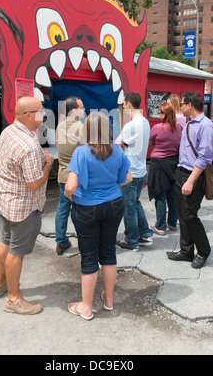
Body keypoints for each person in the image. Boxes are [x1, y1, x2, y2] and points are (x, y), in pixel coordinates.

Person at [65, 112, 132, 320]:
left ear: (87, 130)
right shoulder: (118, 150)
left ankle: (86, 306)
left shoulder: (81, 152)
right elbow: (127, 178)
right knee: (109, 252)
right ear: (108, 129)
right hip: (113, 205)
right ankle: (109, 299)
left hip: (86, 208)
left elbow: (70, 186)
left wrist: (70, 195)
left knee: (89, 256)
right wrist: (109, 186)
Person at [0, 96, 54, 315]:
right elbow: (35, 182)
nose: (44, 114)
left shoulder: (9, 131)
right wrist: (47, 163)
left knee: (6, 241)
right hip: (23, 206)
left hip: (6, 199)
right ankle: (13, 298)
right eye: (40, 111)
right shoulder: (28, 146)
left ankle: (1, 283)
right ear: (28, 115)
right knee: (16, 251)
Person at [167, 92, 213, 269]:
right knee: (182, 213)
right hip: (182, 172)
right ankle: (186, 251)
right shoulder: (188, 122)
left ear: (190, 106)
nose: (179, 107)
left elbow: (204, 158)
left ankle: (203, 251)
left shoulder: (206, 126)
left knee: (189, 215)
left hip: (194, 175)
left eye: (182, 104)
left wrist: (190, 181)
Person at [115, 91, 153, 249]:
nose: (123, 106)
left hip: (130, 173)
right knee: (135, 203)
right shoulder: (145, 122)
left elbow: (117, 144)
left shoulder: (131, 125)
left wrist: (121, 143)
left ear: (129, 104)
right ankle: (145, 233)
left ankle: (131, 240)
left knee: (128, 207)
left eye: (124, 103)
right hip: (141, 171)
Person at [55, 97, 85, 255]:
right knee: (80, 211)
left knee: (62, 209)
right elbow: (86, 153)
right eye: (82, 107)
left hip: (62, 175)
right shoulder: (81, 128)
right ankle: (85, 240)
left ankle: (60, 242)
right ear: (74, 111)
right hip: (77, 177)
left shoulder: (59, 126)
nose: (85, 109)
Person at [148, 103, 182, 235]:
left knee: (160, 196)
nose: (159, 115)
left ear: (165, 114)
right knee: (172, 196)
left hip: (159, 164)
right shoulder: (179, 128)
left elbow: (151, 142)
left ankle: (160, 226)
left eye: (161, 112)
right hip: (173, 163)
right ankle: (173, 224)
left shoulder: (157, 127)